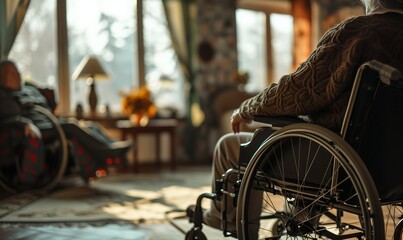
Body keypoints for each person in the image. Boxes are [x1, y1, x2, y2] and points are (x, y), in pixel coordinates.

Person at [189, 0, 403, 233]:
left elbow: (298, 90)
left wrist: (247, 108)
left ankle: (226, 220)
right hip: (392, 169)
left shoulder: (358, 32)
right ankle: (300, 215)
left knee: (229, 146)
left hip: (338, 165)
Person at [0, 60, 131, 185]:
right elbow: (8, 117)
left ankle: (112, 146)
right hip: (38, 127)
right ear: (3, 78)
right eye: (12, 73)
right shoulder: (4, 95)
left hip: (51, 122)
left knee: (91, 125)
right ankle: (107, 153)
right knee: (71, 126)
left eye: (17, 71)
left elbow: (49, 102)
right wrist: (25, 123)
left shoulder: (29, 89)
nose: (17, 75)